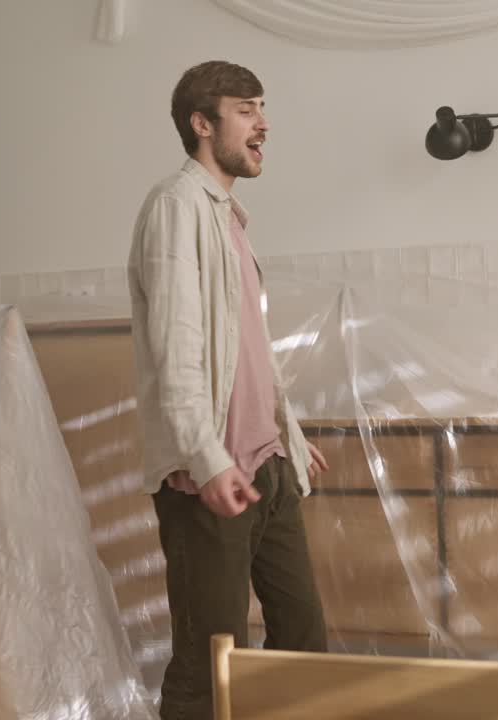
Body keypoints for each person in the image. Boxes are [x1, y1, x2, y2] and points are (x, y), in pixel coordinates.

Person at [127, 60, 331, 720]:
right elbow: (176, 347)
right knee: (210, 663)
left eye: (261, 108)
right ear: (202, 124)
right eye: (246, 110)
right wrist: (208, 458)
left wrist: (287, 435)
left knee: (303, 640)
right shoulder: (176, 206)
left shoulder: (229, 219)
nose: (262, 123)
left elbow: (248, 349)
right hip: (208, 479)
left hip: (266, 467)